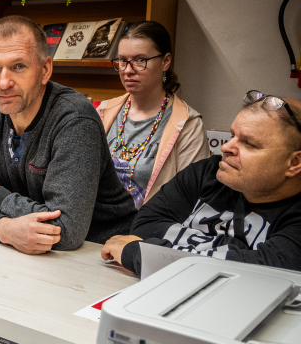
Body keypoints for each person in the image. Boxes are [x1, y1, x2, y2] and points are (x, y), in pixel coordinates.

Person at [0, 15, 137, 254]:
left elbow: (67, 230)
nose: (3, 83)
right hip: (27, 250)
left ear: (45, 70)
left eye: (18, 66)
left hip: (101, 252)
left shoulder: (75, 118)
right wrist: (3, 229)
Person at [101, 91, 301, 275]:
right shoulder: (207, 172)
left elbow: (267, 274)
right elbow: (144, 226)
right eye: (232, 136)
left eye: (249, 143)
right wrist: (238, 253)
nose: (227, 147)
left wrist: (144, 254)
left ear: (294, 163)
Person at [97, 21, 208, 207]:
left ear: (165, 61)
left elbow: (191, 198)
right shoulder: (103, 112)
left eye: (140, 60)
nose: (128, 70)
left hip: (151, 223)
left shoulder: (188, 125)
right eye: (123, 61)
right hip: (98, 220)